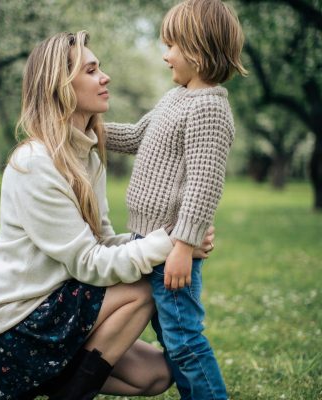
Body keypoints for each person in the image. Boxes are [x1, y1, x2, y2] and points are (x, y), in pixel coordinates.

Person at [0, 31, 215, 400]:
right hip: (13, 329)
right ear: (61, 86)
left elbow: (101, 241)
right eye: (91, 70)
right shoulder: (35, 163)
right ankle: (43, 384)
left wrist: (175, 240)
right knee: (143, 286)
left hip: (57, 310)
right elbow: (89, 263)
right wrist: (170, 245)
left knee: (155, 375)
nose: (105, 77)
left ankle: (35, 381)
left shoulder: (86, 156)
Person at [105, 1, 247, 399]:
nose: (165, 55)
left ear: (198, 51)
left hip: (170, 247)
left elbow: (204, 184)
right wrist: (87, 128)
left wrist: (183, 246)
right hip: (146, 242)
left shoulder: (209, 107)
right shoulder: (175, 99)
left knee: (184, 340)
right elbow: (136, 136)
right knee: (172, 337)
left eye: (172, 46)